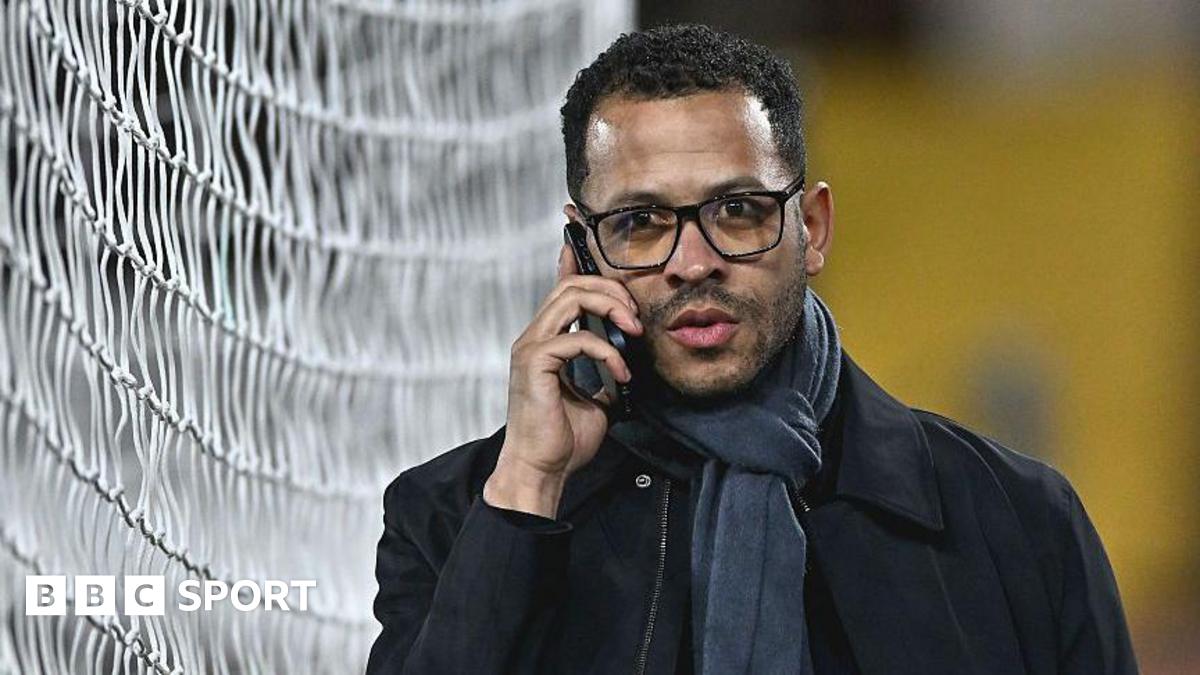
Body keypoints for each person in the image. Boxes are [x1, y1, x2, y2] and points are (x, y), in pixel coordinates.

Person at [366, 23, 1137, 675]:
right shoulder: (452, 515)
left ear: (816, 227)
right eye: (640, 222)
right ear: (580, 252)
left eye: (737, 210)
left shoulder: (1017, 521)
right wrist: (530, 486)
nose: (693, 262)